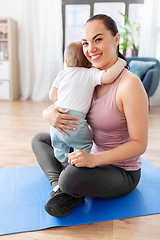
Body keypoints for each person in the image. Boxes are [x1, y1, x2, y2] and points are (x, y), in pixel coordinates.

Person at [32, 14, 148, 218]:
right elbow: (62, 101)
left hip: (120, 171)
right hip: (87, 153)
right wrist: (49, 113)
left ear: (116, 39)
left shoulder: (129, 85)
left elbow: (140, 144)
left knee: (72, 177)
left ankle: (67, 185)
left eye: (98, 39)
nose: (90, 49)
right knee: (40, 140)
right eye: (85, 42)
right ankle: (60, 186)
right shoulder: (88, 76)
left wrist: (95, 159)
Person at [49, 41, 126, 167]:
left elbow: (52, 96)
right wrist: (121, 62)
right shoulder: (90, 73)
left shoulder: (62, 74)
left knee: (58, 145)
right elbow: (109, 76)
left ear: (66, 62)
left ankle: (62, 165)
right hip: (75, 122)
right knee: (84, 145)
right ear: (89, 62)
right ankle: (74, 167)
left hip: (56, 123)